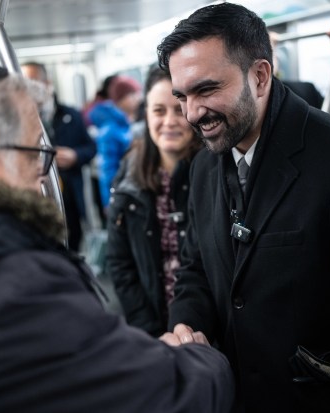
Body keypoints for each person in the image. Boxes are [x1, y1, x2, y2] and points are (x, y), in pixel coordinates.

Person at [0, 48, 235, 413]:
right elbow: (169, 397)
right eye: (35, 155)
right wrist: (200, 357)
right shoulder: (13, 296)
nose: (42, 181)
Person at [156, 3, 330, 412]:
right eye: (182, 96)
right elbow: (197, 266)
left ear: (260, 76)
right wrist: (186, 325)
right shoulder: (204, 168)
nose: (193, 113)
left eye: (207, 89)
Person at [105, 67, 203, 337]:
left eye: (179, 109)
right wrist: (148, 330)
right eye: (159, 110)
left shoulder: (214, 173)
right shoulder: (129, 176)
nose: (169, 121)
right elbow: (120, 263)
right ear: (146, 114)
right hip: (151, 324)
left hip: (207, 330)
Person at [20, 61, 96, 251]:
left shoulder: (71, 114)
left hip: (70, 192)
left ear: (47, 82)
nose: (30, 89)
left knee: (74, 240)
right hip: (38, 195)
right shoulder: (20, 120)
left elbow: (90, 147)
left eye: (34, 81)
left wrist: (75, 155)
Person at [88, 75, 142, 210]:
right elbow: (107, 170)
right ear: (120, 100)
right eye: (132, 94)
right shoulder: (109, 131)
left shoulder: (135, 122)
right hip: (122, 192)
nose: (137, 98)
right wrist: (109, 202)